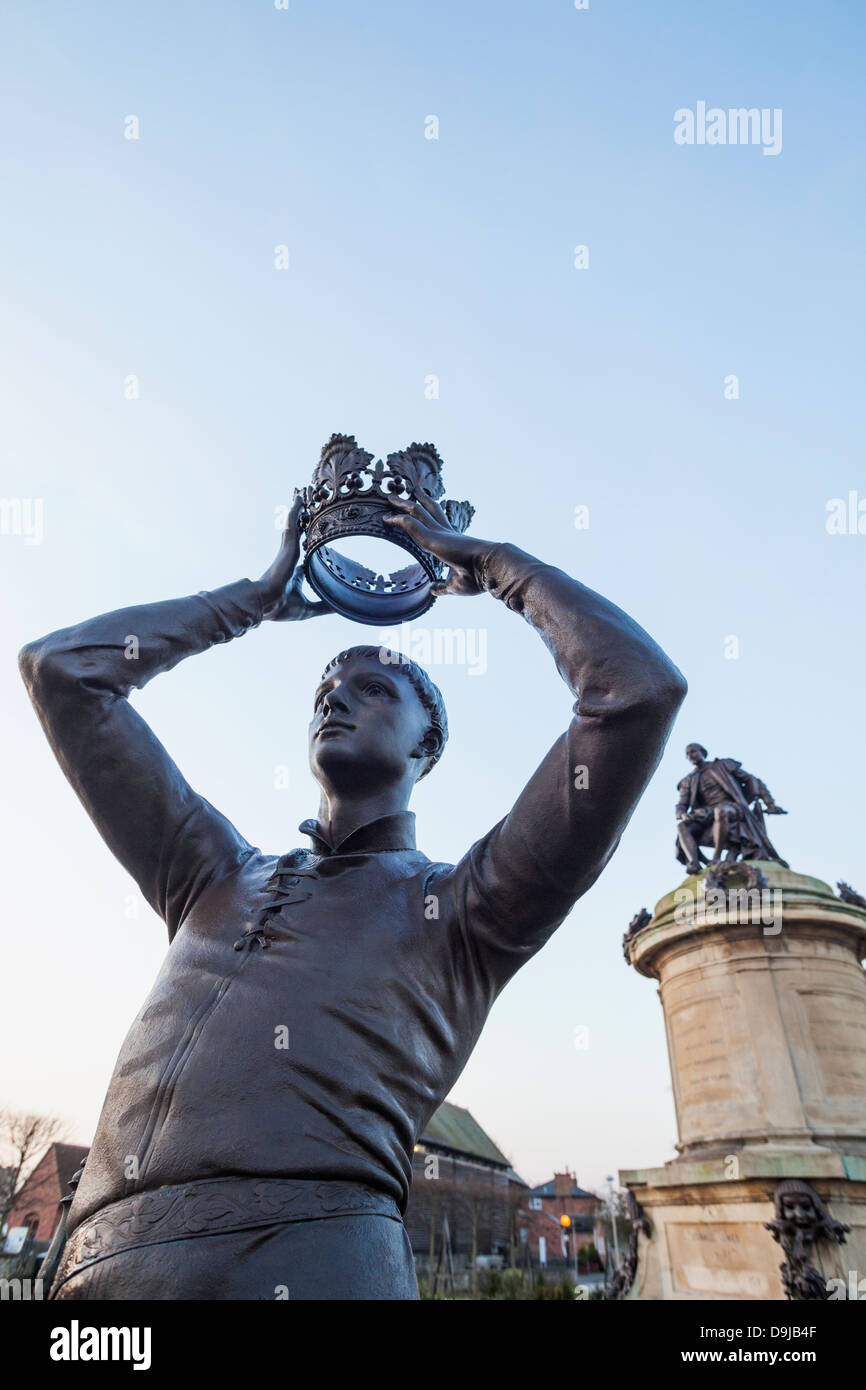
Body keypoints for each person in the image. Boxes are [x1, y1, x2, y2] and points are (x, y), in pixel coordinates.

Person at [20, 489, 686, 1299]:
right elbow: (64, 674)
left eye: (374, 689)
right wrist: (251, 603)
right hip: (91, 1289)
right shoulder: (211, 874)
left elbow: (636, 692)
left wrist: (495, 567)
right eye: (326, 690)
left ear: (427, 743)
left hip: (308, 1271)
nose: (335, 698)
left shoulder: (468, 911)